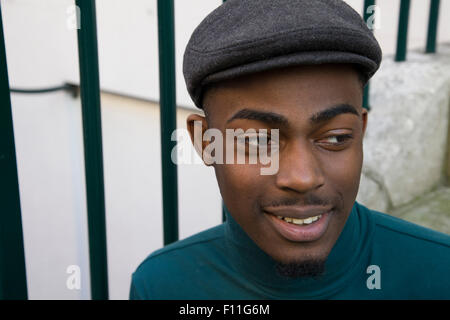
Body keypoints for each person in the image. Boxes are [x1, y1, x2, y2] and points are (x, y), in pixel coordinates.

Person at [130, 0, 450, 299]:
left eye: (336, 137)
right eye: (256, 141)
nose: (302, 177)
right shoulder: (162, 285)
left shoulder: (439, 273)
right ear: (206, 143)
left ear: (361, 132)